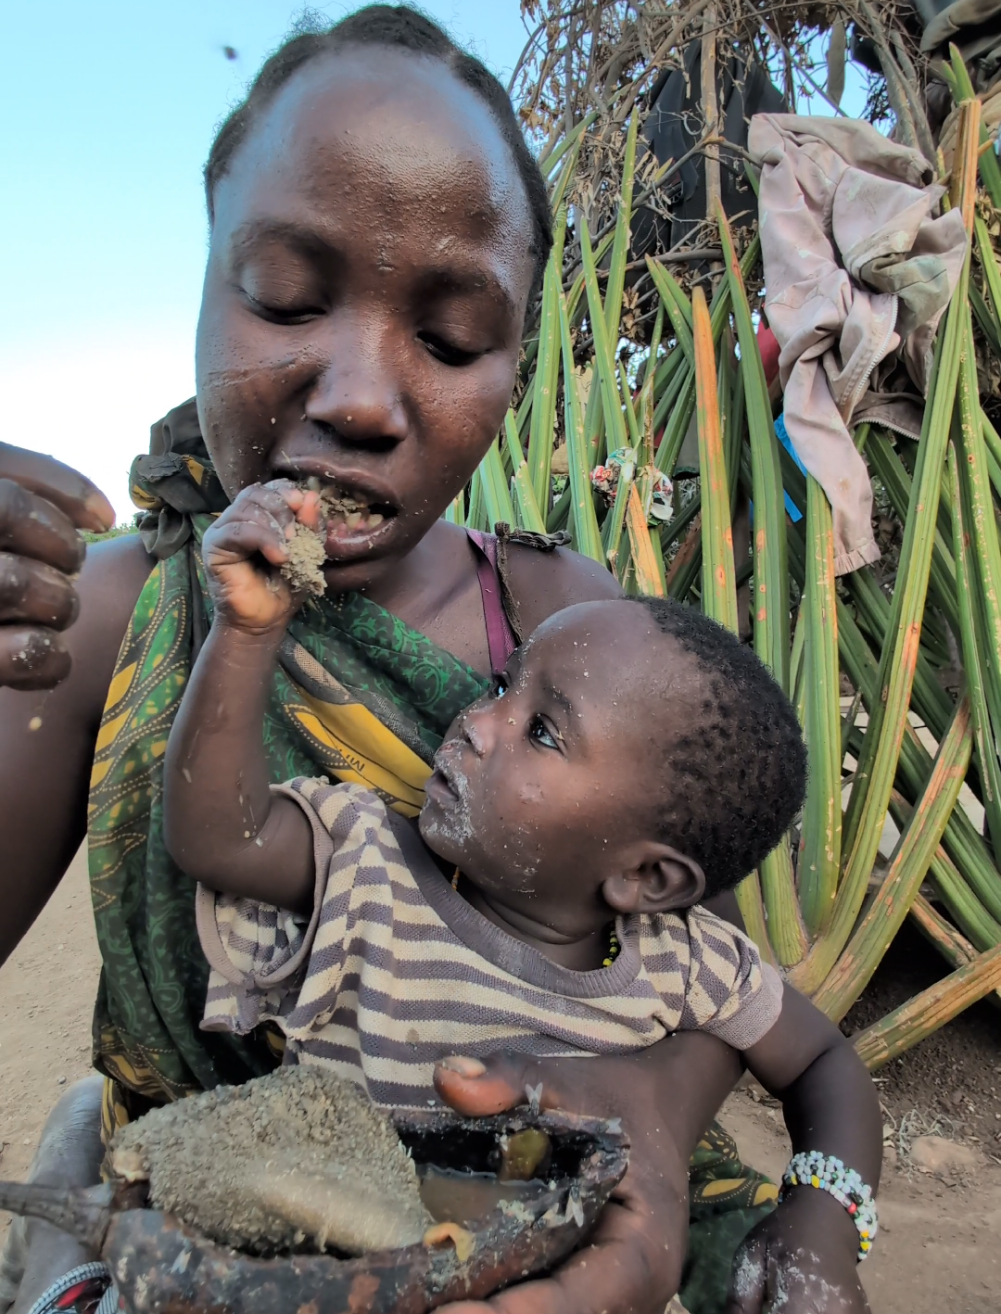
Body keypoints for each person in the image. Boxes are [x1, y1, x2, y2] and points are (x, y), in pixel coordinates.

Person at [0, 3, 871, 1314]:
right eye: (289, 293)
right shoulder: (101, 619)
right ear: (203, 269)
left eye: (455, 338)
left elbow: (686, 983)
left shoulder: (567, 621)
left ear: (517, 366)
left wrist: (651, 1131)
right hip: (213, 1226)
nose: (360, 393)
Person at [159, 489, 881, 1311]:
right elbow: (219, 835)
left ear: (645, 879)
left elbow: (825, 1063)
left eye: (541, 730)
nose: (476, 719)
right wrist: (247, 631)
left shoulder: (686, 967)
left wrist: (825, 1218)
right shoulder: (364, 864)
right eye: (504, 684)